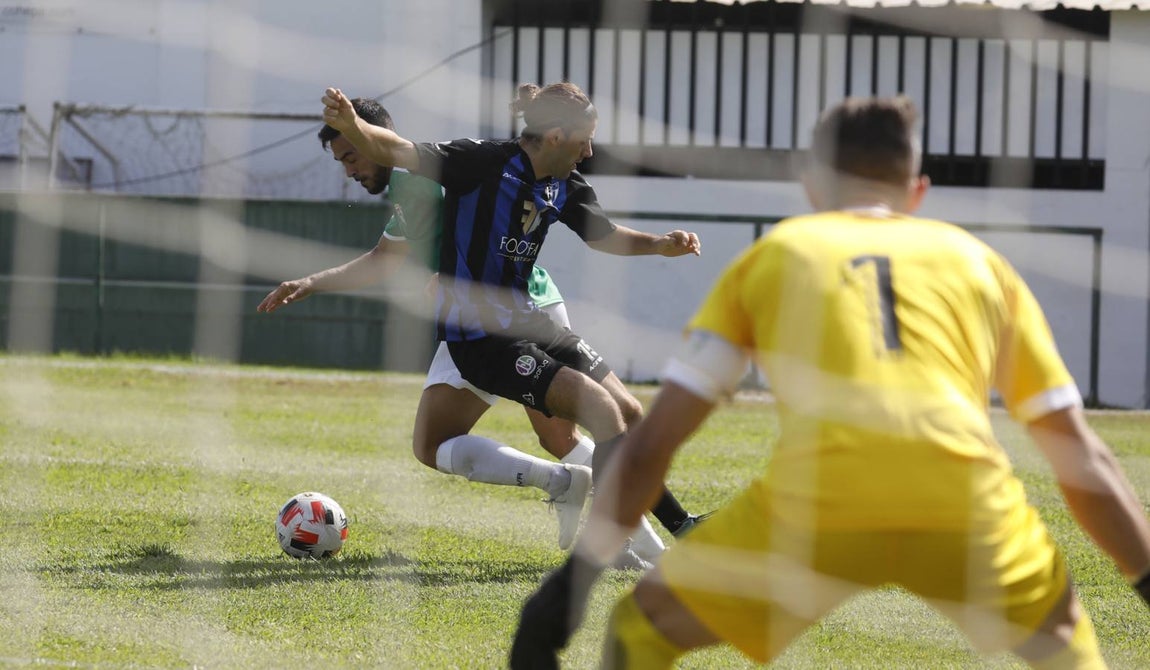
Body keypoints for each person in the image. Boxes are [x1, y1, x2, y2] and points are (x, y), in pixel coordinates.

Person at [510, 96, 1150, 669]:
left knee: (640, 631)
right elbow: (1081, 454)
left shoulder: (779, 255)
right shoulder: (983, 265)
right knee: (1067, 641)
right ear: (918, 191)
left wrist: (574, 583)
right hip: (964, 507)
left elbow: (657, 442)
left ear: (813, 185)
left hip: (816, 510)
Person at [258, 96, 667, 565]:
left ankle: (638, 544)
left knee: (568, 430)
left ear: (372, 139)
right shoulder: (411, 189)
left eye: (351, 155)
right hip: (492, 314)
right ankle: (591, 504)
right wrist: (313, 282)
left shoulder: (422, 181)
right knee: (479, 440)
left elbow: (480, 213)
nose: (348, 171)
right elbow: (387, 258)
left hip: (504, 318)